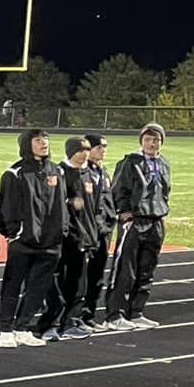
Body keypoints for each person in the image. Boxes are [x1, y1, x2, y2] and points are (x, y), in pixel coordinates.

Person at [0, 128, 63, 347]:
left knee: (38, 288)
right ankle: (5, 329)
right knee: (12, 286)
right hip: (23, 242)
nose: (44, 143)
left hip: (50, 242)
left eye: (46, 139)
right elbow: (4, 208)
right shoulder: (15, 173)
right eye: (38, 140)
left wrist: (62, 229)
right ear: (27, 144)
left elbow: (61, 203)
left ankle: (22, 327)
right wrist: (14, 233)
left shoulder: (56, 171)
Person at [106, 122, 171, 330]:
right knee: (126, 269)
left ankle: (136, 312)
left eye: (156, 139)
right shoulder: (130, 162)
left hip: (155, 221)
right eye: (148, 139)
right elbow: (119, 189)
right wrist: (125, 213)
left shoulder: (164, 163)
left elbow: (165, 191)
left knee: (147, 269)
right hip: (134, 222)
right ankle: (115, 315)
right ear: (141, 141)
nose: (152, 143)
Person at [36, 139, 101, 341]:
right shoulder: (58, 172)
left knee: (78, 284)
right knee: (57, 284)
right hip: (63, 238)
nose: (84, 153)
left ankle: (70, 321)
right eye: (80, 150)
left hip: (83, 238)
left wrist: (94, 233)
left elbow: (94, 207)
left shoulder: (90, 174)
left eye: (87, 149)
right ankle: (50, 323)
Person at [80, 134, 118, 330]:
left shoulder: (103, 172)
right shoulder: (81, 172)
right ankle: (75, 316)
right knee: (81, 276)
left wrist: (110, 220)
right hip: (87, 231)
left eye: (105, 146)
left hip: (103, 230)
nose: (103, 150)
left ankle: (89, 314)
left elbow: (108, 199)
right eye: (99, 146)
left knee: (97, 276)